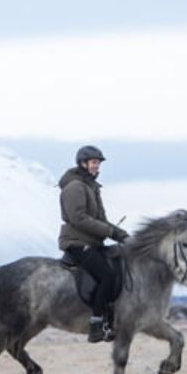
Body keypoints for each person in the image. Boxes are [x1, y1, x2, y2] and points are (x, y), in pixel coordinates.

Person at [58, 145, 129, 343]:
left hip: (92, 242)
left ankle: (110, 320)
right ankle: (96, 325)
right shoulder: (75, 187)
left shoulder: (91, 187)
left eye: (98, 163)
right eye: (94, 162)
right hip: (77, 243)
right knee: (107, 275)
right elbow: (79, 218)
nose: (97, 166)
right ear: (83, 163)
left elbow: (102, 220)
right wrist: (110, 232)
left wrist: (123, 236)